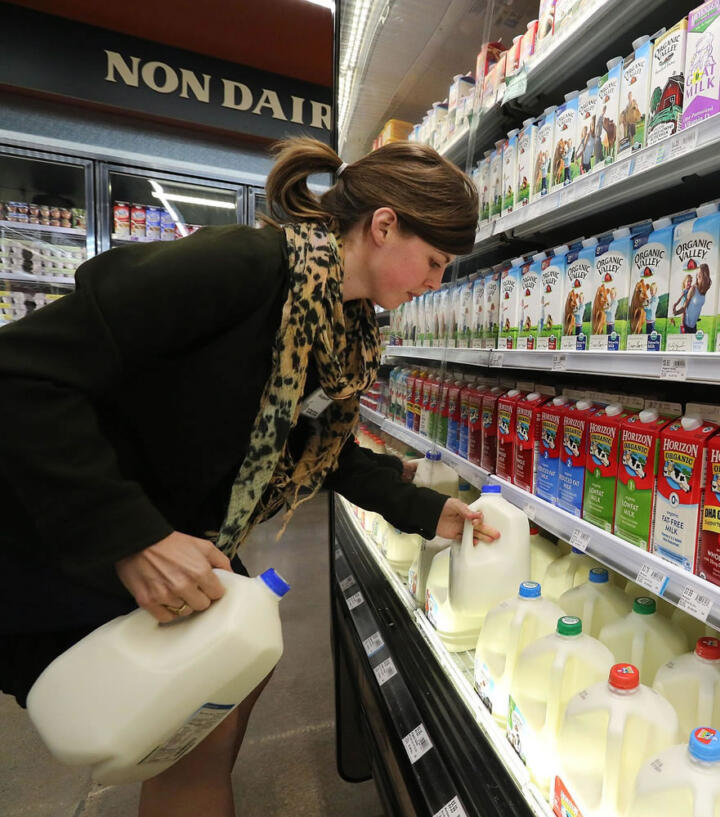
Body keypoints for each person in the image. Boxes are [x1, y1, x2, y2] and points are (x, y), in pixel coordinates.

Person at [0, 136, 498, 817]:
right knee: (196, 721)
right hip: (72, 521)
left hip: (180, 520)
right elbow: (22, 372)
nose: (437, 282)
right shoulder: (239, 267)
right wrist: (132, 537)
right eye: (436, 260)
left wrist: (422, 509)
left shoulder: (343, 326)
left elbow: (324, 444)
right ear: (384, 226)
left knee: (232, 683)